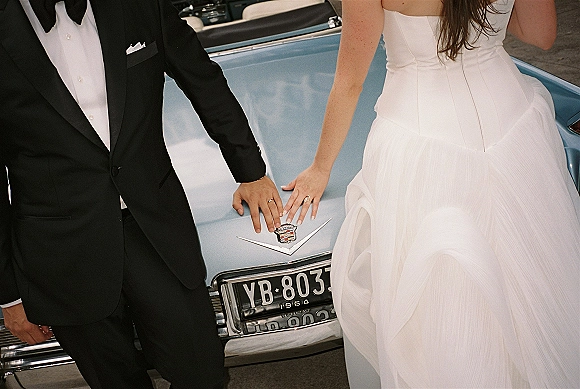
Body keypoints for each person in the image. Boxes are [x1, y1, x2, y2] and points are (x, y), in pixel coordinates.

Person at [282, 0, 580, 387]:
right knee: (535, 279)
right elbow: (541, 36)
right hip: (516, 129)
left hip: (422, 145)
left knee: (445, 305)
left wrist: (321, 168)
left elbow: (350, 80)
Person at [0, 0, 284, 387]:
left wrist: (250, 170)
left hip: (155, 226)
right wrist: (8, 294)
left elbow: (202, 79)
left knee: (202, 372)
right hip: (60, 252)